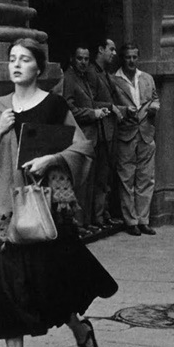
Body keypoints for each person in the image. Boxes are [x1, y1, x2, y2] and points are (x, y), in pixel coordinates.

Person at [0, 38, 118, 347]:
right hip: (4, 211)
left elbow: (82, 147)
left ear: (39, 68)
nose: (16, 65)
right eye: (12, 59)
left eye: (24, 60)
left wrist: (51, 159)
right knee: (7, 294)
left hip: (45, 208)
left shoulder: (54, 106)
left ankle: (79, 328)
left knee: (49, 285)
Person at [52, 46, 120, 231]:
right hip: (78, 136)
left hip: (92, 136)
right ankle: (78, 223)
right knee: (81, 182)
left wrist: (103, 108)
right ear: (73, 59)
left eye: (86, 59)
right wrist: (92, 113)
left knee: (91, 181)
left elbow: (89, 101)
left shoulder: (84, 78)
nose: (83, 62)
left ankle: (87, 222)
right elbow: (68, 108)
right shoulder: (69, 78)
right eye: (80, 58)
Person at [112, 44, 160, 236]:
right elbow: (111, 105)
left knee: (146, 178)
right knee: (126, 178)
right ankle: (130, 221)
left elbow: (155, 98)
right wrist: (124, 111)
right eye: (127, 58)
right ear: (122, 59)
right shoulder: (114, 80)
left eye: (134, 57)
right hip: (126, 133)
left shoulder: (147, 78)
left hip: (146, 132)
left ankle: (143, 220)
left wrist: (155, 106)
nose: (131, 61)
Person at [89, 37, 124, 226]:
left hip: (111, 130)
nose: (114, 53)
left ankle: (105, 213)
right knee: (101, 175)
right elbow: (89, 102)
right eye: (111, 49)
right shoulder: (92, 72)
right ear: (101, 49)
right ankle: (99, 217)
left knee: (108, 174)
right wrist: (111, 107)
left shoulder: (106, 73)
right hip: (100, 131)